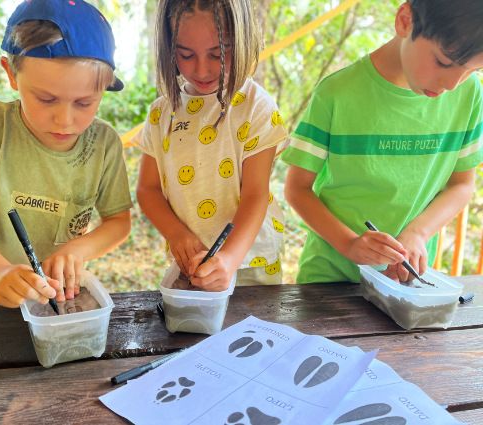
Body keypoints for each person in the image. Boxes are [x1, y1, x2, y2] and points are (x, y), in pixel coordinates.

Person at [0, 0, 132, 307]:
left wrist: (78, 249)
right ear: (11, 73)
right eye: (46, 99)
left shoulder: (104, 144)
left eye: (84, 103)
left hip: (56, 298)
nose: (65, 120)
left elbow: (118, 222)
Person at [283, 0, 483, 284]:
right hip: (330, 280)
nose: (452, 84)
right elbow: (297, 189)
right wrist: (350, 244)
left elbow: (462, 185)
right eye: (443, 62)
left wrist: (418, 233)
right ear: (405, 20)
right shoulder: (337, 93)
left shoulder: (469, 95)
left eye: (472, 71)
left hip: (405, 283)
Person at [136, 0, 288, 291]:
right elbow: (148, 189)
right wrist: (177, 235)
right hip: (191, 264)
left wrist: (228, 260)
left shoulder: (256, 106)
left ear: (241, 40)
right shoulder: (161, 113)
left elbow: (255, 194)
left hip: (249, 266)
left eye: (219, 53)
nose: (203, 70)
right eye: (186, 54)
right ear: (169, 49)